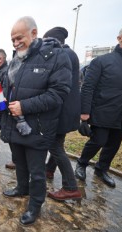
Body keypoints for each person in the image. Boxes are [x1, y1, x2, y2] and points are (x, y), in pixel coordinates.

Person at [0, 16, 72, 225]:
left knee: (37, 172)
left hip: (37, 128)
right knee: (19, 162)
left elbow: (59, 94)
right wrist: (0, 103)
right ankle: (22, 188)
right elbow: (8, 88)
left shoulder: (56, 57)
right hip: (14, 124)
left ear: (34, 33)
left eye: (19, 38)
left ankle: (35, 205)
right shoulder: (17, 59)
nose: (15, 43)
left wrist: (24, 106)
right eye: (12, 40)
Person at [74, 21, 122, 188]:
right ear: (120, 37)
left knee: (114, 144)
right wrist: (84, 114)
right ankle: (82, 163)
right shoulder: (102, 61)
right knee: (98, 141)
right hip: (102, 111)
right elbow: (88, 87)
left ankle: (102, 169)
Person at [42, 27, 82, 201]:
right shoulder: (72, 54)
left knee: (55, 146)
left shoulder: (61, 55)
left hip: (61, 110)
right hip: (71, 109)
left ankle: (70, 187)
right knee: (58, 143)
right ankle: (49, 170)